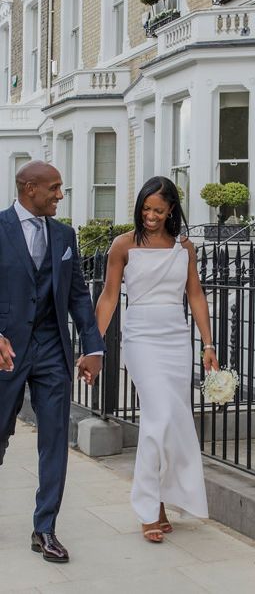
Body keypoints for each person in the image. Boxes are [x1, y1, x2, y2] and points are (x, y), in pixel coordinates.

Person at [91, 176, 217, 543]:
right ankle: (148, 508)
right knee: (158, 417)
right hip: (142, 337)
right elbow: (109, 297)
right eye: (146, 208)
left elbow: (195, 295)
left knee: (175, 422)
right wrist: (93, 346)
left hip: (177, 339)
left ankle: (162, 501)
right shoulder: (123, 245)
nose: (150, 215)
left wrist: (208, 344)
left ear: (171, 210)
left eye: (158, 210)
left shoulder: (184, 248)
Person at [0, 161, 104, 563]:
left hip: (51, 350)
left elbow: (78, 295)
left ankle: (45, 528)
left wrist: (93, 348)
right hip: (7, 350)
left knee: (56, 441)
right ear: (30, 189)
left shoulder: (64, 235)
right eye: (54, 188)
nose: (61, 195)